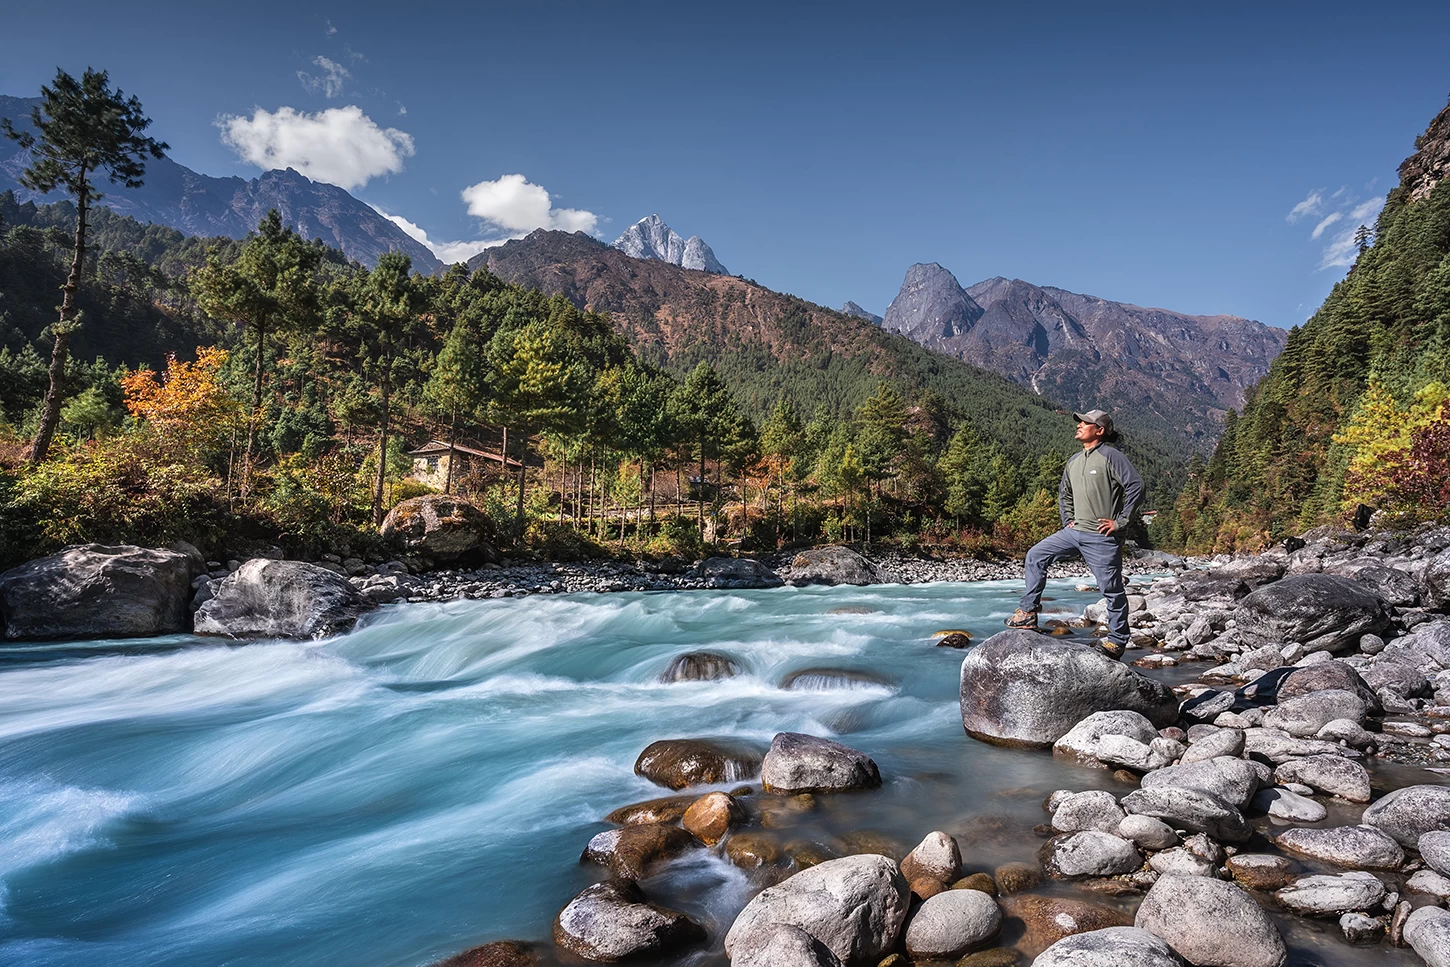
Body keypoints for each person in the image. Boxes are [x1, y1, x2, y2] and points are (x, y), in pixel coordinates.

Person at [1004, 409, 1143, 659]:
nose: (1079, 426)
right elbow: (1064, 494)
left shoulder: (1112, 456)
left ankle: (1117, 640)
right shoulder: (1074, 461)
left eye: (1085, 423)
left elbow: (1135, 486)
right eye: (1079, 422)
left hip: (1102, 536)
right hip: (1073, 531)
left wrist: (1120, 522)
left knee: (1111, 588)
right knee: (1036, 555)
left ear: (1099, 430)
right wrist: (1067, 520)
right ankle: (1027, 613)